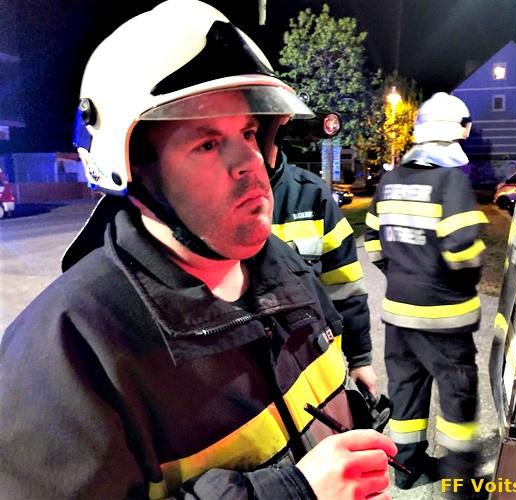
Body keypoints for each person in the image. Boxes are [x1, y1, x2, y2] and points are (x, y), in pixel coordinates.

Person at [0, 1, 397, 498]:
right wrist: (294, 492)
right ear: (134, 169)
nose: (250, 162)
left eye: (249, 133)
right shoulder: (66, 355)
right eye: (207, 144)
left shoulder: (284, 267)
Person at [364, 92, 488, 491]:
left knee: (406, 391)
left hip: (398, 312)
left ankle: (407, 470)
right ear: (457, 133)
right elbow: (463, 249)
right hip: (444, 319)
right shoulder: (451, 181)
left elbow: (372, 241)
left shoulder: (390, 181)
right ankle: (460, 481)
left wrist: (401, 274)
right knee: (457, 395)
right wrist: (461, 283)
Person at [269, 150, 378, 398]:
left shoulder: (311, 193)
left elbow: (345, 286)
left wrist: (360, 359)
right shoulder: (199, 199)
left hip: (316, 373)